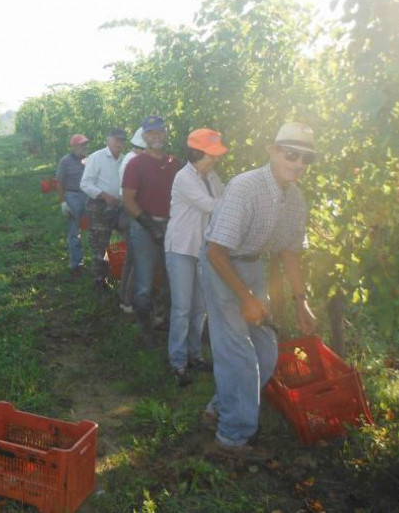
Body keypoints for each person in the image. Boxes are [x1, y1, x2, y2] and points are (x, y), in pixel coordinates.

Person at [201, 122, 318, 456]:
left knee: (266, 350)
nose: (297, 163)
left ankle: (221, 407)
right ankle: (232, 439)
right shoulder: (245, 187)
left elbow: (291, 254)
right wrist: (246, 298)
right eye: (290, 154)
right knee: (237, 351)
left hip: (251, 266)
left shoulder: (296, 199)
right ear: (272, 150)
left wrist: (301, 302)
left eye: (305, 158)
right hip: (221, 264)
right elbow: (214, 251)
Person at [165, 128, 228, 387]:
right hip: (181, 247)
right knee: (181, 307)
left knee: (200, 306)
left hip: (202, 248)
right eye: (210, 154)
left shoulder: (211, 176)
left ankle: (195, 355)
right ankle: (177, 362)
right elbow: (213, 205)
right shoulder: (184, 178)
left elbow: (222, 198)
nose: (215, 159)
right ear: (196, 153)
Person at [122, 116, 181, 346]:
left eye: (160, 132)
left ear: (165, 134)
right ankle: (145, 328)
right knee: (144, 282)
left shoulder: (174, 163)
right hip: (144, 226)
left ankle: (163, 319)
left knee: (170, 279)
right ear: (144, 136)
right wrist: (150, 226)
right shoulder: (135, 164)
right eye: (151, 133)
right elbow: (128, 200)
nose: (156, 136)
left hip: (171, 225)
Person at [80, 127, 126, 295]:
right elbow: (85, 184)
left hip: (119, 206)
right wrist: (103, 195)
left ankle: (122, 273)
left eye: (122, 141)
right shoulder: (97, 157)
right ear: (108, 139)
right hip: (99, 206)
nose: (119, 143)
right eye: (116, 140)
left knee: (131, 237)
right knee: (100, 244)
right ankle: (100, 281)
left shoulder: (125, 159)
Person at [117, 127, 147, 313]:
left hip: (130, 212)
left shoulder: (130, 158)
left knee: (132, 258)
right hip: (133, 213)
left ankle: (125, 299)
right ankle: (128, 301)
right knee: (137, 258)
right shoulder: (134, 162)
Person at [56, 134, 89, 277]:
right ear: (74, 147)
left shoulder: (89, 160)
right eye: (82, 145)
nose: (85, 147)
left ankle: (100, 260)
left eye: (85, 145)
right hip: (73, 196)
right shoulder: (65, 162)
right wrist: (63, 202)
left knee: (96, 229)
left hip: (89, 196)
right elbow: (59, 182)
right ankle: (77, 263)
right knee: (74, 232)